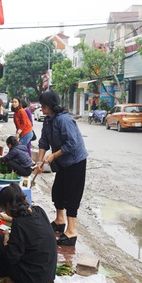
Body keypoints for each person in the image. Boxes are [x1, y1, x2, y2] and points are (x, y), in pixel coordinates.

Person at [34, 90, 88, 247]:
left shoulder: (64, 120)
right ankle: (59, 221)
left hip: (75, 161)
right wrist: (39, 162)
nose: (42, 110)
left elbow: (72, 144)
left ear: (51, 106)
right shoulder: (48, 120)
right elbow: (43, 142)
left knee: (72, 196)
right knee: (58, 191)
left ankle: (71, 232)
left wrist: (53, 156)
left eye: (44, 106)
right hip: (63, 162)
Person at [0, 183, 57, 283]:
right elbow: (23, 218)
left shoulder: (19, 224)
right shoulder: (38, 211)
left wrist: (7, 237)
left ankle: (8, 278)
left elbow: (10, 258)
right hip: (48, 273)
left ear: (8, 205)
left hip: (30, 278)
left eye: (4, 208)